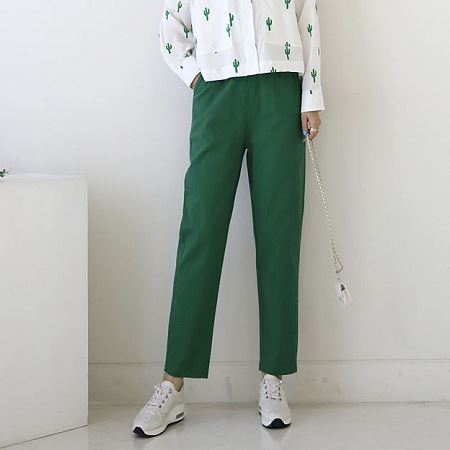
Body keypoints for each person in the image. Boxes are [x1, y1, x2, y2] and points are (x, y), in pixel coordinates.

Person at [133, 0, 324, 437]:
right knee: (200, 233)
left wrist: (311, 95)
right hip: (216, 92)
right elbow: (170, 25)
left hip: (280, 90)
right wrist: (196, 75)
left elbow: (307, 18)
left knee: (279, 238)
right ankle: (173, 383)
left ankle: (274, 376)